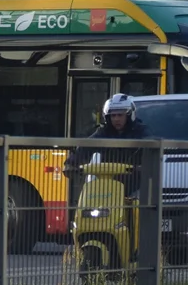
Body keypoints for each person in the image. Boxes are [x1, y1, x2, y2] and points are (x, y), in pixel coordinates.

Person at [63, 94, 149, 230]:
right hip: (107, 185)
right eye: (112, 116)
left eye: (120, 115)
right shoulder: (103, 132)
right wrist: (71, 163)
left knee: (141, 212)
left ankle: (137, 243)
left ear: (129, 115)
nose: (116, 119)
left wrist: (145, 167)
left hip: (135, 184)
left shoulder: (142, 132)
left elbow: (152, 148)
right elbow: (86, 147)